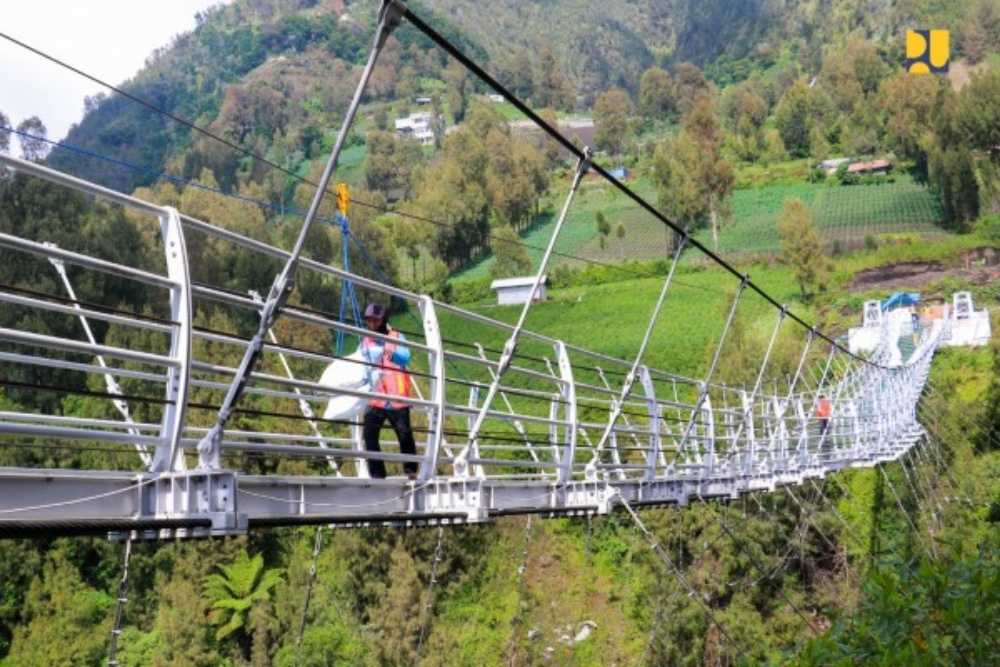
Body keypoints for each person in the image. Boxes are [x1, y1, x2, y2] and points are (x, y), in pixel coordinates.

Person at [359, 303, 418, 480]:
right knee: (369, 434)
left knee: (404, 434)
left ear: (383, 320)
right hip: (376, 397)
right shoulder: (365, 341)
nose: (372, 324)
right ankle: (377, 474)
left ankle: (411, 471)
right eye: (369, 320)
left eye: (375, 320)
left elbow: (405, 356)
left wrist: (386, 351)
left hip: (396, 396)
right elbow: (359, 360)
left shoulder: (397, 336)